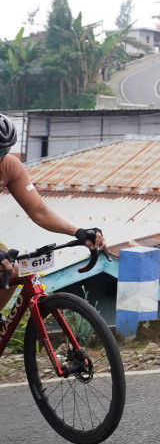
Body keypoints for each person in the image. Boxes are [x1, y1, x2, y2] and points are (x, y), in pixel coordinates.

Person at [0, 114, 107, 306]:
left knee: (11, 268)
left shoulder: (9, 166)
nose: (0, 157)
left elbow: (39, 211)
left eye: (3, 151)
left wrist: (78, 232)